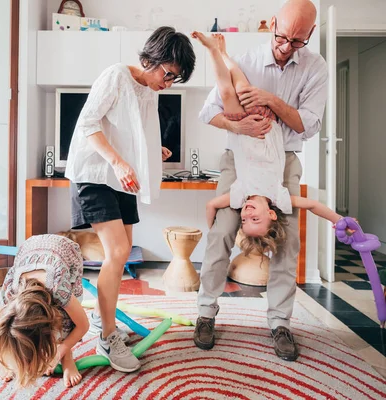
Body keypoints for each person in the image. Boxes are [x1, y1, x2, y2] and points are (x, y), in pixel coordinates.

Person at [195, 0, 328, 362]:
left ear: (310, 35)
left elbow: (309, 125)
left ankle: (280, 322)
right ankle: (206, 313)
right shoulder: (249, 59)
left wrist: (272, 100)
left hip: (282, 160)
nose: (286, 47)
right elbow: (210, 112)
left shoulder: (316, 69)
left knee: (289, 240)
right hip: (238, 158)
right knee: (222, 232)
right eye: (282, 36)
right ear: (272, 24)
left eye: (297, 42)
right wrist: (238, 125)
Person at [64, 26, 196, 372]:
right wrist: (119, 161)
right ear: (150, 59)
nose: (167, 84)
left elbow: (133, 132)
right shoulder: (116, 76)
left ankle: (101, 321)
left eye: (174, 80)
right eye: (167, 74)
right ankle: (107, 337)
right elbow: (88, 124)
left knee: (119, 257)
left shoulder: (150, 89)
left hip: (121, 178)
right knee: (119, 252)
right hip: (95, 175)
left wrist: (155, 150)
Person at [193, 31, 343, 257]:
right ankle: (223, 52)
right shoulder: (279, 198)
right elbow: (312, 205)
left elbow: (211, 206)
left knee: (226, 90)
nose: (246, 213)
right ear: (272, 215)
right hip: (266, 124)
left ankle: (214, 51)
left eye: (244, 219)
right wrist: (339, 219)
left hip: (243, 128)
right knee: (242, 88)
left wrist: (211, 230)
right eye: (255, 218)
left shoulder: (239, 195)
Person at [0, 234, 88, 388]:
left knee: (67, 319)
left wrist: (59, 352)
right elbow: (3, 330)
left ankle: (68, 357)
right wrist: (9, 361)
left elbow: (83, 325)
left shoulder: (58, 289)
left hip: (65, 249)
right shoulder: (9, 293)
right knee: (14, 330)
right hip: (29, 247)